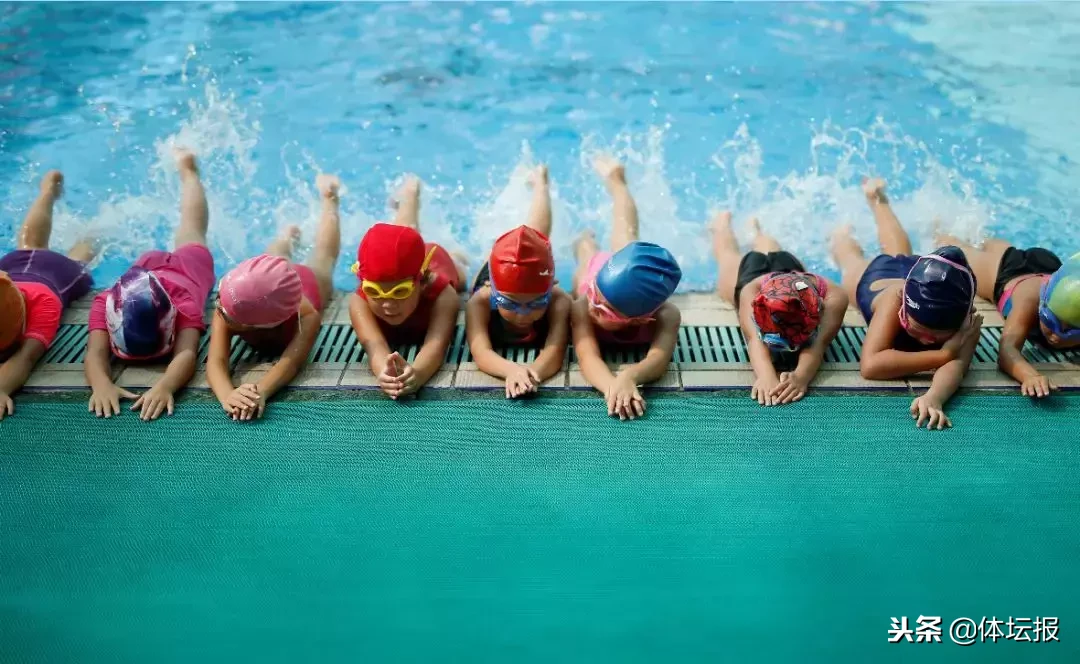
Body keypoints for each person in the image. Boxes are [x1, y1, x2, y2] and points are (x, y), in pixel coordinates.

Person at [831, 177, 982, 430]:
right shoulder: (894, 302)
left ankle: (879, 200)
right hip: (876, 279)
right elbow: (871, 365)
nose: (924, 341)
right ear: (904, 306)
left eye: (935, 337)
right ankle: (846, 228)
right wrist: (943, 352)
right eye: (915, 329)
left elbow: (957, 366)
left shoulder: (966, 320)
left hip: (918, 273)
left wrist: (935, 397)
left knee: (900, 249)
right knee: (851, 260)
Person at [84, 149, 215, 421]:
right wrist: (101, 385)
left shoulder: (184, 304)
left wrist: (166, 386)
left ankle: (188, 170)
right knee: (188, 230)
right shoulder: (106, 301)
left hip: (189, 268)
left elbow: (187, 353)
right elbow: (95, 353)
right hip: (144, 271)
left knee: (192, 228)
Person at [206, 174, 342, 419]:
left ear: (257, 323)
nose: (218, 307)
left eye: (226, 310)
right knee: (274, 260)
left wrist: (261, 391)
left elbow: (290, 362)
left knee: (324, 257)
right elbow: (215, 361)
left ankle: (330, 200)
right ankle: (285, 238)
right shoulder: (227, 305)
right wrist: (227, 394)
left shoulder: (307, 316)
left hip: (307, 283)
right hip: (264, 282)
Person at [570, 155, 682, 421]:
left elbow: (659, 358)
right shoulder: (585, 303)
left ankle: (590, 242)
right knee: (613, 242)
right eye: (593, 299)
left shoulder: (666, 316)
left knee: (621, 243)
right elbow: (587, 357)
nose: (591, 305)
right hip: (597, 274)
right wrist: (613, 387)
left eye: (603, 309)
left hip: (615, 282)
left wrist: (630, 374)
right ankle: (616, 182)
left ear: (642, 319)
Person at [711, 210, 848, 406]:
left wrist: (801, 377)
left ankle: (756, 230)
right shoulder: (750, 294)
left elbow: (818, 343)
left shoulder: (835, 297)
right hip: (755, 279)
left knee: (770, 248)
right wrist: (766, 375)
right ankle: (721, 227)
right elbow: (753, 339)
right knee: (728, 259)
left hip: (790, 274)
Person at [348, 176, 466, 400]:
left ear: (420, 284)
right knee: (399, 237)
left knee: (461, 272)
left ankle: (412, 197)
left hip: (438, 261)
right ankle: (409, 195)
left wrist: (418, 374)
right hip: (408, 262)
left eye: (400, 292)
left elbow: (436, 344)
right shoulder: (359, 300)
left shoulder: (443, 295)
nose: (387, 304)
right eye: (374, 291)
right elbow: (374, 345)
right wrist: (384, 371)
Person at [931, 231, 1079, 397]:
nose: (1056, 336)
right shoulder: (1030, 300)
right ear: (1042, 307)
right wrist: (1031, 376)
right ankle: (942, 228)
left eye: (1070, 332)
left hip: (1055, 273)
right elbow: (1008, 349)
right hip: (1006, 270)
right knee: (953, 252)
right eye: (1050, 322)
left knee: (1004, 248)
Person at [466, 165, 571, 398]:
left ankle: (541, 184)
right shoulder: (480, 301)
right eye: (510, 304)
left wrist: (530, 374)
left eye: (536, 303)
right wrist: (512, 371)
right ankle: (539, 185)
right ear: (492, 293)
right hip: (494, 276)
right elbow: (481, 351)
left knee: (536, 235)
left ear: (551, 287)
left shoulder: (559, 301)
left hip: (522, 278)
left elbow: (555, 351)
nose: (523, 314)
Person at [0, 171, 96, 420]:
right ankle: (47, 192)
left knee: (79, 259)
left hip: (57, 272)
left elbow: (26, 356)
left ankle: (95, 233)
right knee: (30, 242)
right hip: (12, 269)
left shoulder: (45, 305)